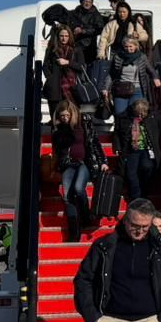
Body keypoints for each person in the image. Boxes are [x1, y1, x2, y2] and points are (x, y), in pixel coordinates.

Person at [51, 101, 105, 241]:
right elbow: (57, 149)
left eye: (67, 115)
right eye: (62, 116)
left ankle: (86, 216)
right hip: (68, 164)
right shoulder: (59, 130)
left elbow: (94, 142)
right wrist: (62, 132)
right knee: (67, 196)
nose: (65, 118)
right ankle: (74, 232)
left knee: (78, 188)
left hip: (84, 162)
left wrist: (103, 161)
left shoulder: (84, 123)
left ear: (73, 114)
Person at [114, 98, 161, 200]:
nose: (139, 117)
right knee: (131, 174)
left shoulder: (153, 116)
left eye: (142, 115)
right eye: (137, 114)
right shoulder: (124, 117)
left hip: (146, 149)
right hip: (131, 150)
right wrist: (117, 147)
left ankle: (143, 191)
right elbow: (117, 133)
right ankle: (136, 198)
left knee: (147, 167)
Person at [105, 35, 160, 118]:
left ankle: (135, 127)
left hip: (137, 90)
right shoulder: (118, 57)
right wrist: (105, 88)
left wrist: (155, 78)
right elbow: (111, 74)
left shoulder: (141, 57)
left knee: (136, 113)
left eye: (130, 46)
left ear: (135, 46)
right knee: (120, 114)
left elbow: (151, 70)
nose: (128, 49)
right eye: (126, 47)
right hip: (121, 90)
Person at [43, 26, 86, 115]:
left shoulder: (76, 49)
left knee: (72, 114)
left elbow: (82, 66)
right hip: (54, 87)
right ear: (58, 36)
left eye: (66, 36)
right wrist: (50, 78)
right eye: (61, 36)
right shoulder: (52, 49)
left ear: (70, 36)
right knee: (55, 114)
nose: (64, 38)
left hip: (71, 87)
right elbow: (45, 65)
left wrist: (68, 62)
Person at [67, 0, 106, 67]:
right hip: (75, 44)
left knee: (88, 66)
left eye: (90, 2)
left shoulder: (96, 15)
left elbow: (99, 29)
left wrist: (83, 31)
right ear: (81, 2)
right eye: (85, 1)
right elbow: (68, 24)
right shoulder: (74, 13)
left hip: (89, 46)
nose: (87, 3)